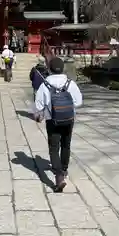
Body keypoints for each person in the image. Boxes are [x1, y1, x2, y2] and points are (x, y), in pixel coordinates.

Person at [34, 57, 82, 192]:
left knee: (54, 147)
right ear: (63, 69)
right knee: (66, 144)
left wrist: (41, 113)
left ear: (49, 69)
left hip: (52, 120)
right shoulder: (70, 83)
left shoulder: (45, 85)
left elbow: (38, 105)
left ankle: (59, 175)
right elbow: (78, 102)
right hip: (68, 119)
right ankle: (64, 169)